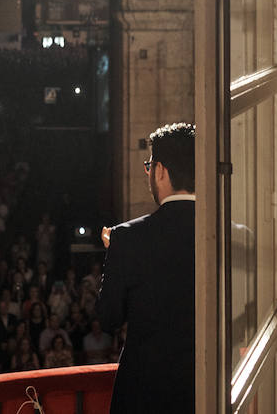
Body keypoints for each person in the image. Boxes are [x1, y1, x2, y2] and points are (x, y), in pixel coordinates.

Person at [96, 122, 195, 414]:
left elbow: (108, 318)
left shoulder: (127, 238)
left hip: (146, 394)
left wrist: (114, 252)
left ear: (161, 170)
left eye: (149, 165)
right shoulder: (231, 234)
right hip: (209, 391)